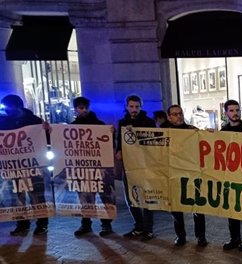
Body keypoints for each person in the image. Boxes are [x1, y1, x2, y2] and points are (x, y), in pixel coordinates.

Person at [0, 94, 49, 236]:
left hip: (33, 165)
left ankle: (42, 224)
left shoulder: (34, 121)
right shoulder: (3, 122)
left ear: (18, 107)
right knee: (17, 195)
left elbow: (46, 138)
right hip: (13, 167)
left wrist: (46, 130)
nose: (7, 111)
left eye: (9, 108)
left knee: (37, 195)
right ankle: (22, 223)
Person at [70, 97, 115, 237]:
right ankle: (86, 223)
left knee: (104, 196)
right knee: (85, 197)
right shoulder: (72, 126)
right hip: (82, 168)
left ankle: (106, 224)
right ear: (76, 109)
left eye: (85, 107)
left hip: (99, 168)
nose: (83, 110)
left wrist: (112, 133)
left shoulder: (99, 124)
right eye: (80, 108)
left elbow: (109, 143)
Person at [115, 94, 157, 241]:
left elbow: (153, 142)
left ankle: (148, 228)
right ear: (126, 107)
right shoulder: (122, 123)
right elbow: (120, 142)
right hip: (129, 166)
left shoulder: (148, 122)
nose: (134, 109)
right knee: (130, 196)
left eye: (137, 107)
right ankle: (138, 225)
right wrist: (118, 151)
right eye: (131, 106)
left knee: (146, 197)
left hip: (145, 165)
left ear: (141, 107)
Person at [166, 105, 207, 247]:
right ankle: (180, 236)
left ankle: (201, 236)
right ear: (169, 117)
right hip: (173, 173)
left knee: (197, 207)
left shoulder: (191, 130)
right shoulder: (165, 132)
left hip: (191, 172)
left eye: (180, 113)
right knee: (176, 207)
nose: (179, 116)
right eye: (175, 114)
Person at [219, 100, 242, 251]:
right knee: (231, 209)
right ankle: (234, 238)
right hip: (229, 177)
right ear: (226, 113)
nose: (235, 113)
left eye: (237, 110)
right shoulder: (223, 132)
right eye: (232, 110)